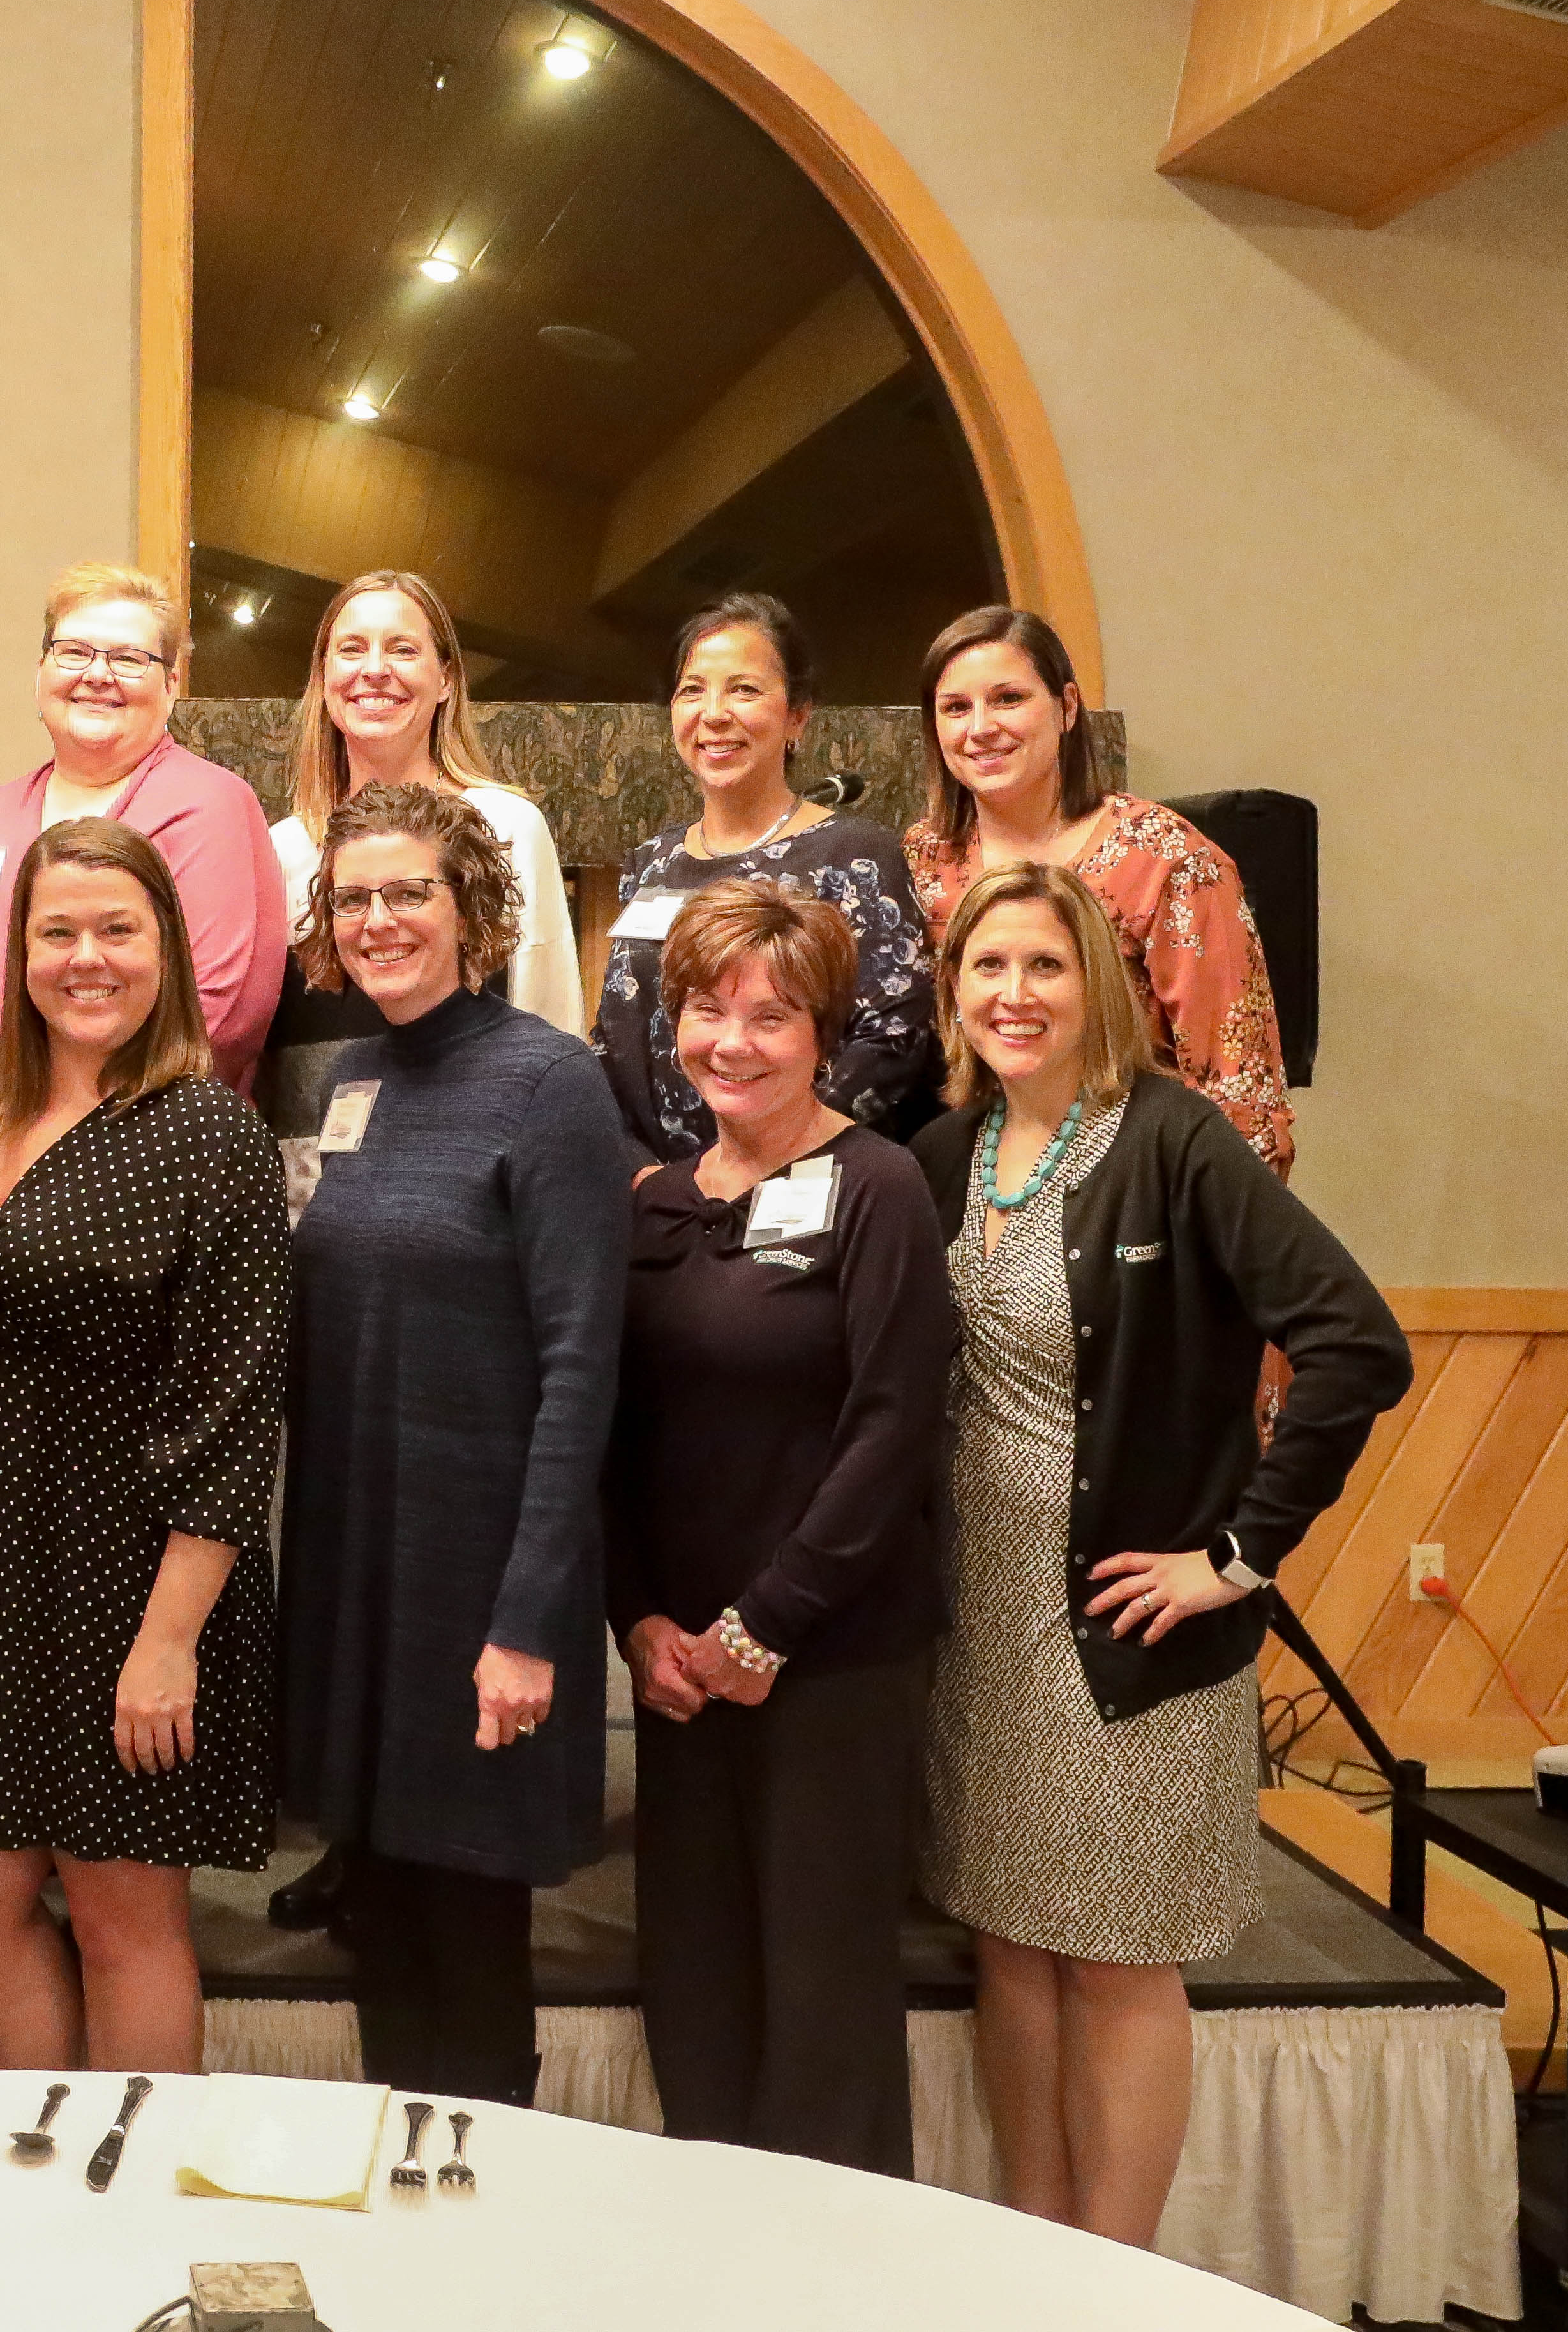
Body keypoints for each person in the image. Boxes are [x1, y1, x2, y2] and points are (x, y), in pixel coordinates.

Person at [910, 862, 1408, 2247]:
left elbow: (1354, 1344)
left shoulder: (1172, 1137)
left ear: (1101, 986)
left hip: (1123, 1632)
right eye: (986, 967)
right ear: (952, 991)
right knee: (1009, 1940)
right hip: (977, 1620)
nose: (1013, 994)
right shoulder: (944, 1152)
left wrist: (1234, 1554)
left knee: (1116, 1961)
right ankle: (1032, 2243)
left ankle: (1112, 2276)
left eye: (1044, 965)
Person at [0, 819, 290, 2072]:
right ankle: (39, 2172)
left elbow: (232, 1411)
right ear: (17, 946)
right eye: (58, 930)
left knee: (118, 1904)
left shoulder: (212, 1137)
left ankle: (138, 2205)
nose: (85, 957)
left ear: (166, 944)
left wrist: (167, 1641)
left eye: (118, 928)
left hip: (124, 1564)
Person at [275, 782, 625, 2105]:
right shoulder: (356, 1074)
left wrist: (528, 1618)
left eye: (407, 890)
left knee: (470, 1945)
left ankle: (486, 2247)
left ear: (473, 907)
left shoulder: (548, 1084)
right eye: (353, 897)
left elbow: (582, 1364)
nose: (378, 919)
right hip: (366, 1572)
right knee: (380, 1924)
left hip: (480, 1586)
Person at [606, 880, 952, 2175]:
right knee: (691, 1989)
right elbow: (607, 1434)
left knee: (820, 2012)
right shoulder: (647, 1201)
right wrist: (636, 1619)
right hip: (679, 1668)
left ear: (821, 1032)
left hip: (829, 1662)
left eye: (769, 1013)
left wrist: (768, 1621)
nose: (730, 1040)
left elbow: (891, 1424)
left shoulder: (875, 1186)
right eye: (706, 1008)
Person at [0, 562, 283, 1148]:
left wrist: (46, 1155)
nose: (98, 675)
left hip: (118, 1169)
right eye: (74, 652)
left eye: (130, 659)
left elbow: (217, 1016)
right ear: (41, 674)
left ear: (173, 685)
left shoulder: (208, 806)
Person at [902, 605, 1292, 1175]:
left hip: (1135, 1187)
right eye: (956, 707)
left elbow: (1241, 1092)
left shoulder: (1168, 859)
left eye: (1008, 698)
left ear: (1066, 707)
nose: (981, 727)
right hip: (973, 1181)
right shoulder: (923, 861)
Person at [262, 571, 582, 1183]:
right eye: (351, 649)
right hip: (314, 1192)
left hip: (469, 1176)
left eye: (403, 649)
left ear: (445, 680)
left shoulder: (505, 825)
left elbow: (552, 1012)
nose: (374, 670)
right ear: (322, 679)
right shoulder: (282, 850)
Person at [593, 592, 935, 1162]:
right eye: (692, 690)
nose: (714, 713)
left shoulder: (854, 853)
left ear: (797, 713)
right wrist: (643, 1174)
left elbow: (895, 1037)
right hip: (661, 1196)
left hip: (799, 1190)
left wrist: (763, 1160)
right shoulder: (650, 861)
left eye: (744, 689)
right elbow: (615, 1038)